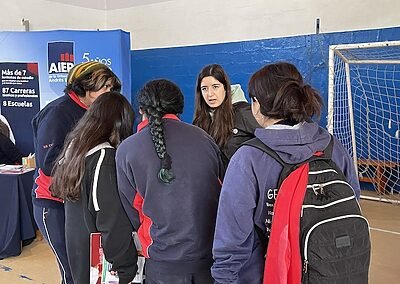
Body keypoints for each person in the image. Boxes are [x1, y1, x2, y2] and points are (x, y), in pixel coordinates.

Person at [211, 62, 361, 283]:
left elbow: (232, 240)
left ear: (256, 105)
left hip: (265, 275)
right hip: (329, 269)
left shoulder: (247, 159)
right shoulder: (332, 146)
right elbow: (352, 201)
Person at [116, 79, 224, 284]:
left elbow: (133, 210)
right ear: (179, 107)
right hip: (207, 260)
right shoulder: (204, 139)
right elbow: (220, 194)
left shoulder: (127, 151)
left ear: (141, 110)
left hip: (161, 262)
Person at [31, 61, 121, 284]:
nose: (108, 93)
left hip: (81, 204)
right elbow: (48, 163)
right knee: (72, 272)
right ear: (84, 87)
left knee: (87, 271)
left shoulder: (97, 112)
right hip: (54, 205)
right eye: (103, 87)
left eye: (111, 88)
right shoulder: (57, 113)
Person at [51, 92, 138, 284]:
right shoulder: (103, 157)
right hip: (98, 260)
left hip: (78, 251)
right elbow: (110, 219)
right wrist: (126, 267)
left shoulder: (75, 148)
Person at [193, 64, 259, 169]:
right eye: (204, 89)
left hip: (244, 181)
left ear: (225, 88)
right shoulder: (199, 121)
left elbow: (267, 142)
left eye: (215, 87)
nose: (210, 94)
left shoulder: (244, 112)